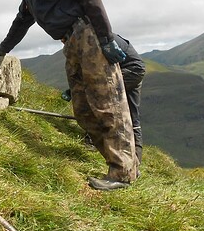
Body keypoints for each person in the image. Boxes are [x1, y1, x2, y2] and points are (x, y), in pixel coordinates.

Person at [0, 0, 137, 190]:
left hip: (88, 35)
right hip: (70, 43)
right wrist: (3, 48)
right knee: (82, 107)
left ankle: (122, 174)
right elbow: (21, 21)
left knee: (107, 103)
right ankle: (121, 164)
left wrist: (106, 39)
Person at [62, 34, 146, 172]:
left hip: (130, 70)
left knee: (98, 98)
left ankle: (94, 140)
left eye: (64, 40)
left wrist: (76, 90)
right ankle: (134, 165)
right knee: (132, 116)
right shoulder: (92, 34)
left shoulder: (89, 40)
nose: (63, 43)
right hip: (135, 68)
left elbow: (93, 73)